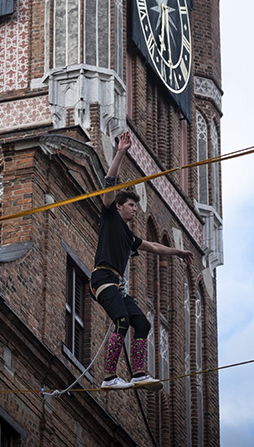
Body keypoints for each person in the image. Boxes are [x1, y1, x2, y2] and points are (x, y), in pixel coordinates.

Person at [90, 132, 194, 389]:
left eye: (136, 206)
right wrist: (121, 152)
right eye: (130, 206)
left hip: (115, 284)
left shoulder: (128, 235)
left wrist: (178, 253)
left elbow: (154, 246)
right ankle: (109, 376)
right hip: (103, 278)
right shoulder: (109, 216)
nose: (134, 209)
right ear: (119, 207)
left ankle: (138, 373)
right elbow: (110, 182)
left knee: (142, 323)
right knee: (122, 321)